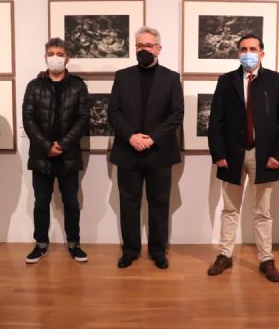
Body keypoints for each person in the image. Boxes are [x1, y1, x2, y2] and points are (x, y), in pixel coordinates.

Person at [207, 34, 279, 282]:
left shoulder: (276, 81)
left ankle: (266, 259)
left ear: (262, 53)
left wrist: (278, 155)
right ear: (238, 53)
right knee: (230, 209)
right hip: (231, 155)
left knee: (263, 211)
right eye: (243, 49)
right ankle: (225, 255)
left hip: (264, 155)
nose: (248, 53)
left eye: (253, 49)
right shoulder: (226, 81)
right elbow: (215, 121)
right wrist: (218, 153)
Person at [108, 26, 184, 269]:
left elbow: (176, 114)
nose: (144, 49)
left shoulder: (171, 78)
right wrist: (131, 136)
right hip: (128, 151)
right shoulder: (122, 76)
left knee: (159, 204)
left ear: (158, 49)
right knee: (128, 204)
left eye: (149, 45)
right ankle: (130, 251)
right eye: (140, 45)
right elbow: (113, 112)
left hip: (159, 152)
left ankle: (158, 251)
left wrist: (152, 138)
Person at [22, 38, 90, 264]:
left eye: (60, 54)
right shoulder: (34, 86)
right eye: (51, 53)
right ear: (45, 57)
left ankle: (74, 244)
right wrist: (46, 146)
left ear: (67, 58)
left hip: (68, 156)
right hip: (41, 157)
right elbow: (28, 119)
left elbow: (83, 119)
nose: (55, 58)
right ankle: (40, 244)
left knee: (71, 203)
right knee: (41, 203)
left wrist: (62, 145)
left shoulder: (78, 86)